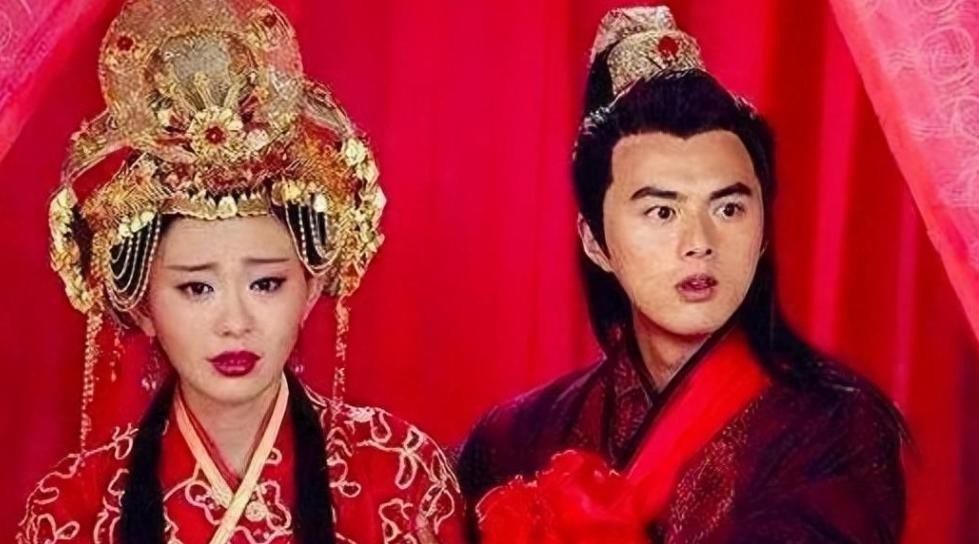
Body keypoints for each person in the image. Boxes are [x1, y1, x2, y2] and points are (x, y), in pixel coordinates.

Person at [16, 0, 463, 542]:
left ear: (311, 286)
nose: (235, 321)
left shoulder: (399, 478)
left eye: (266, 283)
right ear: (143, 305)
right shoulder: (74, 508)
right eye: (196, 287)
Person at [456, 6, 907, 542]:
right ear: (595, 241)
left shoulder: (836, 428)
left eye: (728, 208)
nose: (699, 243)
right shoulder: (516, 437)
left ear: (764, 230)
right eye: (662, 212)